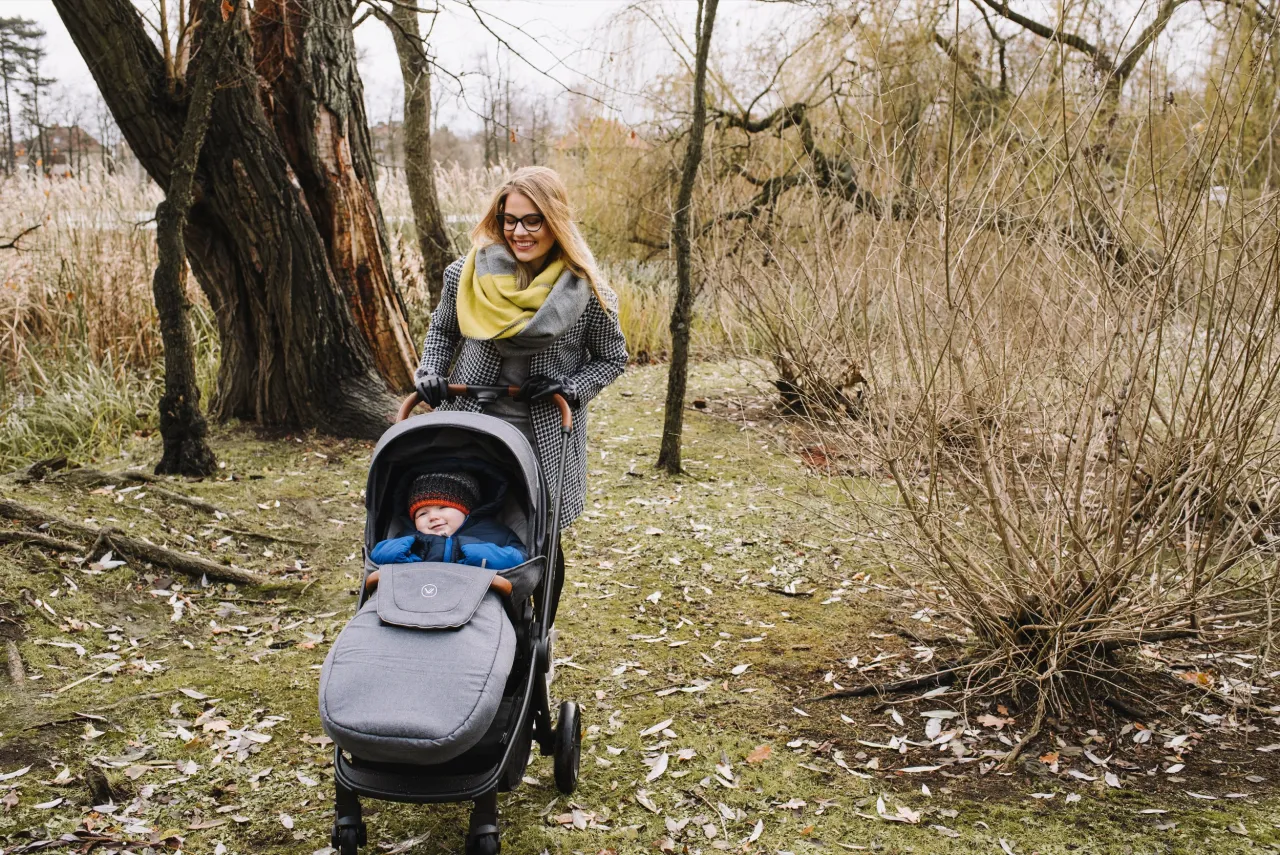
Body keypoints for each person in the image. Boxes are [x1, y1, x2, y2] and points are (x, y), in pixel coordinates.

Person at [412, 166, 626, 854]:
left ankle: (519, 667)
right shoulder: (464, 273)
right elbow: (443, 334)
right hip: (469, 430)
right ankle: (449, 666)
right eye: (511, 219)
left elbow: (612, 358)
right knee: (453, 542)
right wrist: (428, 373)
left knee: (534, 564)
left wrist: (573, 387)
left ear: (555, 221)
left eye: (534, 220)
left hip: (540, 437)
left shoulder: (584, 287)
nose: (521, 231)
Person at [369, 471, 526, 570]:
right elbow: (377, 556)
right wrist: (406, 551)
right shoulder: (410, 538)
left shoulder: (493, 532)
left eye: (443, 507)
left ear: (466, 510)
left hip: (477, 599)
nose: (433, 517)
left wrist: (471, 552)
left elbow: (520, 560)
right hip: (417, 596)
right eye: (422, 514)